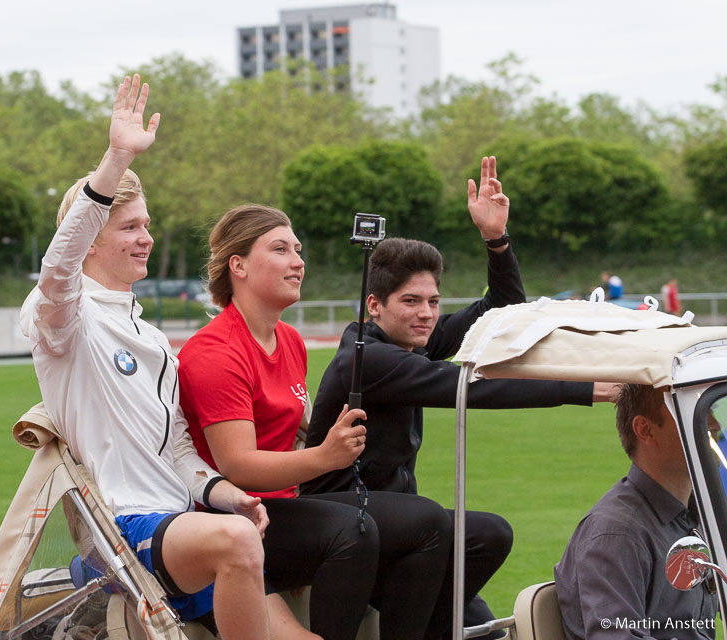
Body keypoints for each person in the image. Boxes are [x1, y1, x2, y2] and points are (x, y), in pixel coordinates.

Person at [300, 157, 620, 639]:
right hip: (344, 518)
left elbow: (502, 310)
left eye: (433, 301)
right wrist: (584, 388)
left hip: (401, 525)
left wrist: (496, 240)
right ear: (374, 305)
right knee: (471, 532)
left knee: (480, 590)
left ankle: (430, 624)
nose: (426, 314)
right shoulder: (367, 359)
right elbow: (472, 386)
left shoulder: (410, 341)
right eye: (411, 302)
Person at [18, 75, 287, 640]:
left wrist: (228, 493)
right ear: (90, 237)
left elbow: (179, 450)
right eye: (130, 227)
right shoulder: (67, 319)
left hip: (185, 522)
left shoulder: (150, 335)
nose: (146, 238)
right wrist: (116, 160)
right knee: (238, 540)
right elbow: (57, 269)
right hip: (124, 530)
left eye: (147, 226)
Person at [179, 204, 455, 640]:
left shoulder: (288, 339)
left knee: (440, 525)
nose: (298, 261)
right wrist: (325, 456)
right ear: (239, 266)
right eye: (281, 249)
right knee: (356, 528)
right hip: (236, 518)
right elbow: (239, 466)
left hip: (285, 509)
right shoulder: (215, 352)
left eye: (298, 249)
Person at [554, 384, 717, 640]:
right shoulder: (616, 535)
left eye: (709, 408)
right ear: (645, 430)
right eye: (690, 412)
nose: (713, 424)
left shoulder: (699, 514)